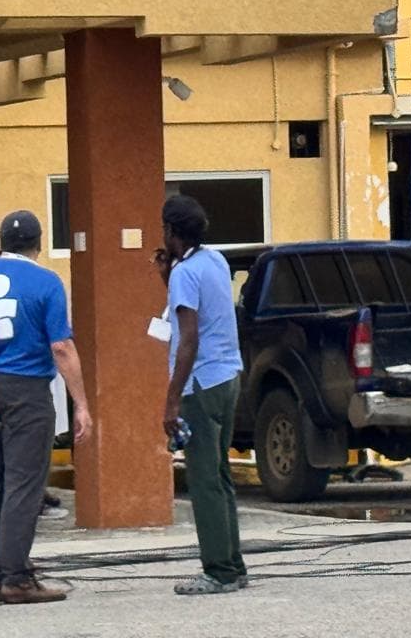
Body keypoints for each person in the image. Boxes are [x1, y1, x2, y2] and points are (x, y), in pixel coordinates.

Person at [0, 210, 92, 606]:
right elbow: (61, 346)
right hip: (27, 391)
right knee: (24, 485)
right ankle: (17, 578)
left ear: (1, 242)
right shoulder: (47, 282)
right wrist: (81, 404)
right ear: (39, 244)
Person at [161, 195, 248, 596]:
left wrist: (171, 400)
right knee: (221, 475)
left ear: (171, 231)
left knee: (203, 480)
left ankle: (218, 571)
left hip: (199, 385)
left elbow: (189, 339)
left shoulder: (184, 273)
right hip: (228, 377)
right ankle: (234, 564)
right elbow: (202, 309)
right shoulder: (214, 261)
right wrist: (168, 274)